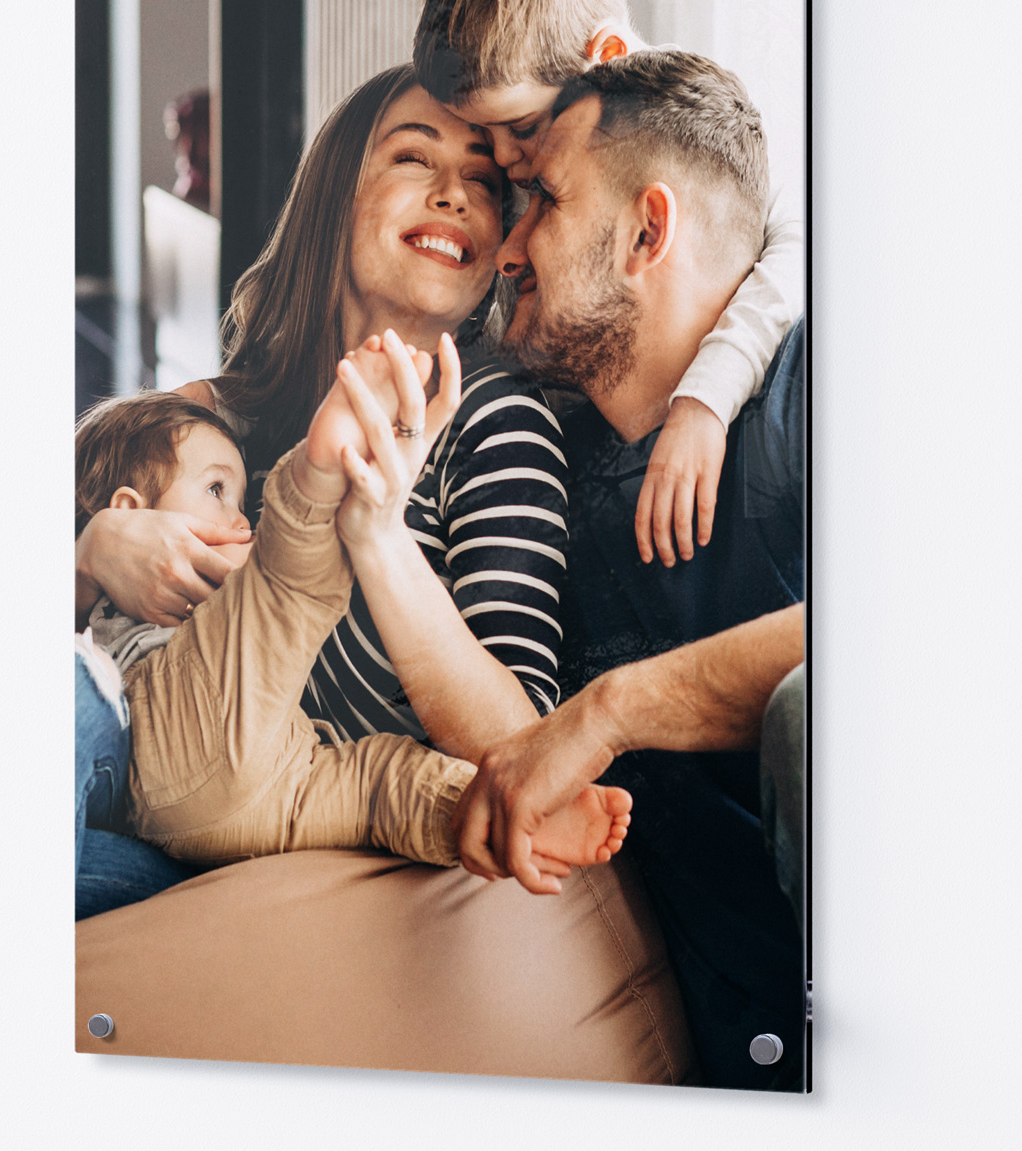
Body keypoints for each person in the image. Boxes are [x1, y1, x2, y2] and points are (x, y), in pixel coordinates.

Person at [73, 65, 577, 911]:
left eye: (484, 182)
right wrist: (90, 557)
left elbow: (520, 742)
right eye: (415, 159)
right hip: (125, 815)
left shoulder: (497, 422)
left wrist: (377, 538)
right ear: (338, 193)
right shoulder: (216, 417)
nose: (454, 193)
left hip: (266, 857)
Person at [452, 50, 809, 1092]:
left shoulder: (804, 393)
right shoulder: (538, 466)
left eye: (543, 203)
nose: (506, 249)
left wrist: (610, 711)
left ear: (649, 232)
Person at [72, 358, 630, 877]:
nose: (240, 521)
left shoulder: (502, 420)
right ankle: (320, 478)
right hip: (172, 732)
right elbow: (276, 582)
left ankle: (499, 817)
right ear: (130, 513)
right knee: (287, 583)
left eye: (242, 500)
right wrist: (86, 556)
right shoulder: (119, 606)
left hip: (280, 769)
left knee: (382, 787)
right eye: (216, 490)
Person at [412, 0, 802, 574]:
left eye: (521, 127)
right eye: (481, 138)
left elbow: (802, 251)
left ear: (607, 58)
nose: (506, 162)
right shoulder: (515, 167)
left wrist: (704, 402)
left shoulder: (695, 147)